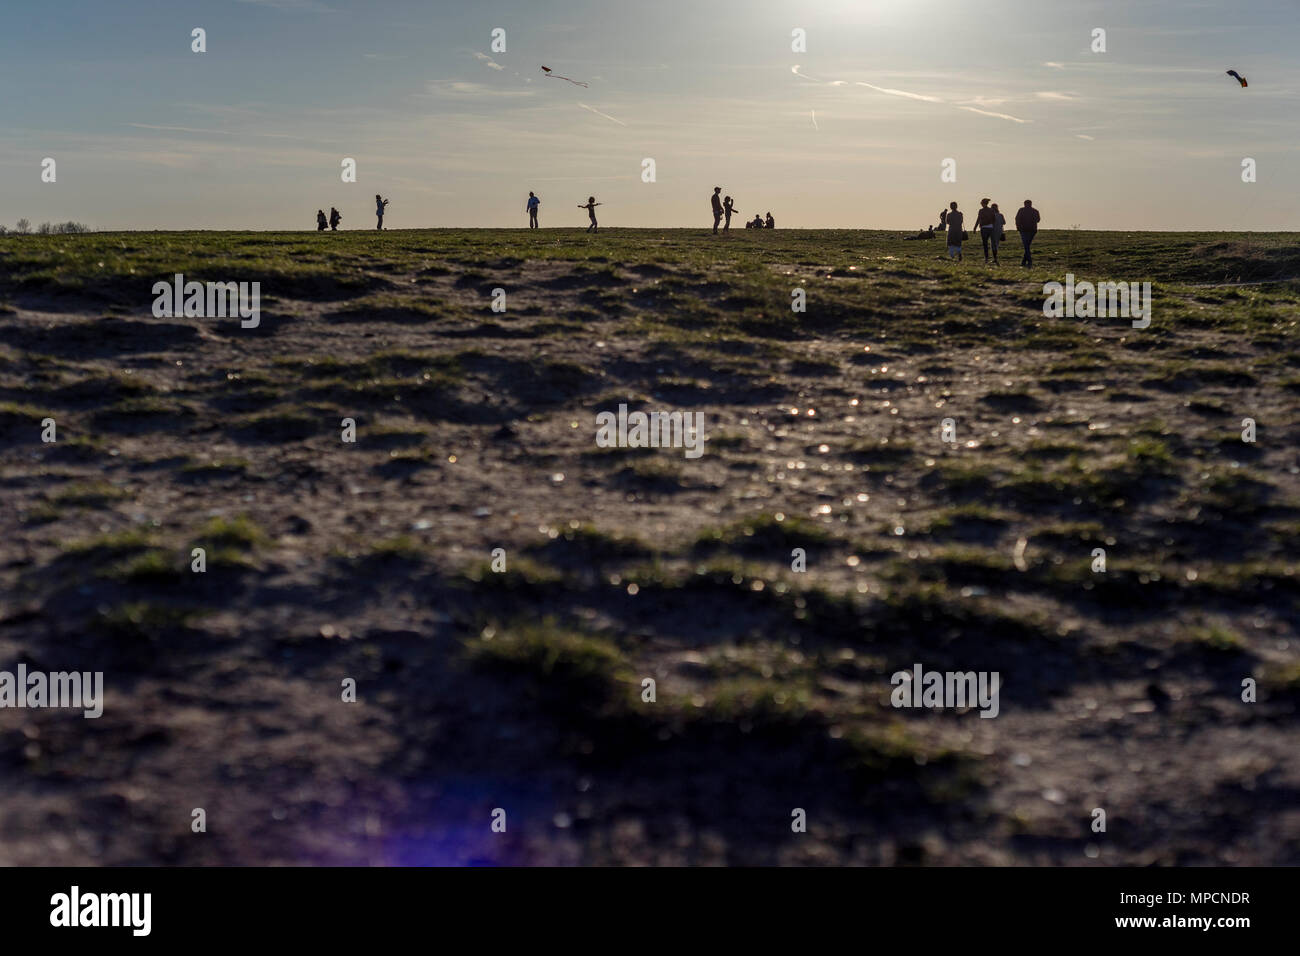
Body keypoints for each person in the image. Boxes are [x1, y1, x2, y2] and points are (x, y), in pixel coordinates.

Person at [1015, 199, 1041, 267]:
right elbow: (1038, 220)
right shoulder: (1035, 211)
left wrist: (1018, 227)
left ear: (1024, 204)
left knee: (1026, 246)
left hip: (1023, 230)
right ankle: (1024, 262)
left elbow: (1017, 219)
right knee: (1027, 245)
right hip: (1032, 230)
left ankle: (1029, 261)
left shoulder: (1021, 210)